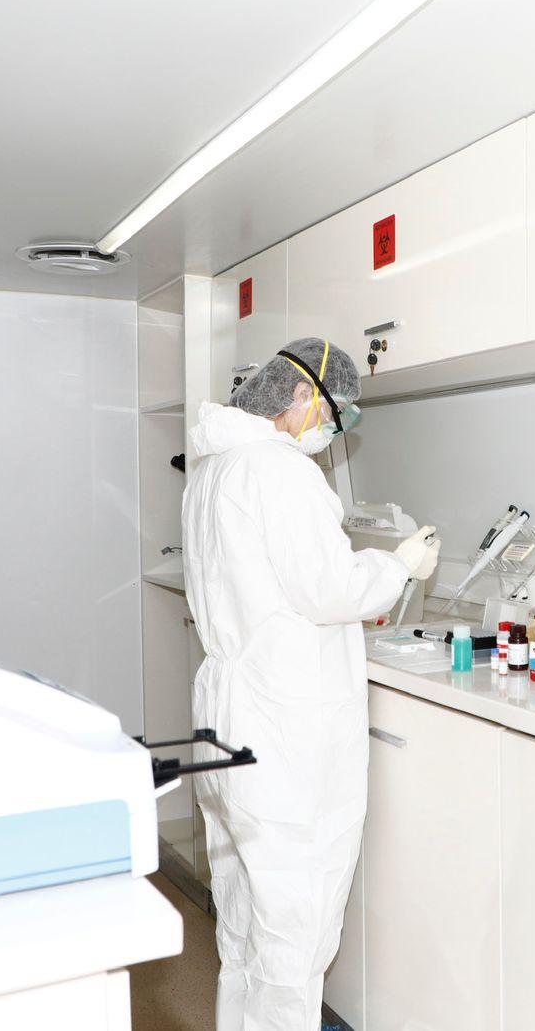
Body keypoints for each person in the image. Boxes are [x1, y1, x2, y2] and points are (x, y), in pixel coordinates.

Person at [180, 337, 440, 1031]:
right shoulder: (279, 471)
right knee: (295, 927)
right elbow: (330, 588)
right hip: (283, 728)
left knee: (243, 920)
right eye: (334, 414)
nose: (331, 431)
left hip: (228, 715)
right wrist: (400, 566)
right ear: (302, 395)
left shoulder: (213, 469)